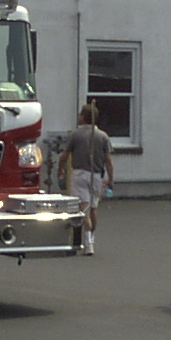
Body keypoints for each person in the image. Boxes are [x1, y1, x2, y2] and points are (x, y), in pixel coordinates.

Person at [62, 104, 114, 255]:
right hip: (96, 176)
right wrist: (111, 179)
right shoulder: (103, 136)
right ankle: (91, 238)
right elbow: (109, 161)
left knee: (83, 209)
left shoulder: (76, 135)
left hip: (80, 174)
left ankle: (88, 243)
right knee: (93, 209)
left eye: (80, 115)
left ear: (84, 117)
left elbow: (65, 155)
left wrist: (60, 169)